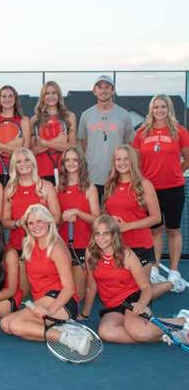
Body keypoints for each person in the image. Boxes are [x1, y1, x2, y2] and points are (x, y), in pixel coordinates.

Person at [79, 214, 189, 344]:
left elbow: (146, 288)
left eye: (106, 233)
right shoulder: (90, 253)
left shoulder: (127, 255)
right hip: (112, 305)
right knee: (106, 332)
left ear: (114, 234)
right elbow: (91, 286)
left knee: (139, 332)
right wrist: (84, 314)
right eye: (97, 233)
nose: (101, 238)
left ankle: (183, 320)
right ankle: (167, 336)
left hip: (132, 299)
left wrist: (141, 304)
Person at [0, 204, 87, 354]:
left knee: (14, 325)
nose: (35, 226)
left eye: (39, 221)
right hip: (42, 300)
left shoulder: (56, 247)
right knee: (6, 324)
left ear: (48, 221)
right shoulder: (29, 244)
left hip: (61, 301)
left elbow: (69, 288)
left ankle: (68, 338)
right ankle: (62, 329)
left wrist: (49, 310)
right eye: (31, 223)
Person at [103, 145, 183, 296]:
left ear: (132, 161)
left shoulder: (144, 184)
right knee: (120, 292)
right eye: (118, 159)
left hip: (140, 246)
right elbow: (108, 212)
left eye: (126, 159)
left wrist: (128, 226)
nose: (122, 162)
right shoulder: (110, 184)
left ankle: (171, 283)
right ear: (114, 162)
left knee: (140, 295)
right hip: (117, 245)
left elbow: (156, 218)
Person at [133, 95, 189, 281]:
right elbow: (137, 162)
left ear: (169, 109)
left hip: (174, 189)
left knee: (173, 230)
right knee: (155, 230)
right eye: (156, 107)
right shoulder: (141, 133)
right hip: (150, 191)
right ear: (151, 110)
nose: (159, 110)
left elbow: (187, 158)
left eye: (163, 106)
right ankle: (155, 269)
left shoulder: (180, 131)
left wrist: (177, 172)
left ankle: (174, 271)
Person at [77, 75, 134, 203]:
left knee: (115, 211)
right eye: (100, 87)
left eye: (107, 87)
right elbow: (84, 144)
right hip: (92, 174)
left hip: (117, 174)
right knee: (94, 212)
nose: (103, 90)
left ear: (113, 91)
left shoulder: (124, 115)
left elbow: (129, 144)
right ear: (94, 91)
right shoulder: (86, 115)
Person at [56, 146, 100, 299]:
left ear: (81, 162)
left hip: (83, 246)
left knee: (78, 295)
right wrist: (62, 218)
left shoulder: (90, 188)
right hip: (61, 246)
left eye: (75, 159)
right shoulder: (57, 189)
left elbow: (97, 219)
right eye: (67, 160)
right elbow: (53, 222)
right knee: (63, 291)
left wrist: (78, 213)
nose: (71, 163)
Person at [2, 148, 60, 259]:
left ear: (32, 162)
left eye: (27, 160)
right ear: (14, 166)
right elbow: (4, 221)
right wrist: (18, 223)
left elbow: (57, 218)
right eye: (18, 161)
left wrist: (38, 222)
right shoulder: (10, 189)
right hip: (18, 245)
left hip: (43, 244)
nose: (23, 164)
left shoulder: (46, 186)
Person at [30, 81, 77, 185]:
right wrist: (58, 142)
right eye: (47, 93)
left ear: (58, 95)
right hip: (41, 170)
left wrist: (44, 143)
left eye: (54, 93)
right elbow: (32, 150)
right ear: (43, 97)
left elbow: (72, 147)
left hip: (64, 169)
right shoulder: (34, 120)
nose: (51, 96)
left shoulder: (69, 116)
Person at [0, 85, 31, 186]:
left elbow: (25, 153)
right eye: (4, 96)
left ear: (15, 99)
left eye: (10, 96)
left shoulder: (25, 121)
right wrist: (15, 146)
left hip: (18, 171)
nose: (7, 99)